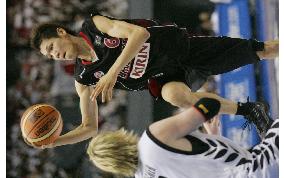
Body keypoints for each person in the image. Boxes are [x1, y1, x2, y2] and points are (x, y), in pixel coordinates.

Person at [29, 11, 278, 148]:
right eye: (49, 56)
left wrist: (112, 73)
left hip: (176, 48)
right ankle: (249, 110)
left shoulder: (94, 26)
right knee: (177, 97)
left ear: (61, 32)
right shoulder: (84, 78)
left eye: (51, 47)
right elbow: (89, 127)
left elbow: (139, 34)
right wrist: (55, 141)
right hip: (160, 76)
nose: (55, 55)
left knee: (262, 50)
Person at [87, 98, 278, 178]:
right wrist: (187, 100)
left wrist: (213, 137)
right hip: (257, 168)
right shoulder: (152, 139)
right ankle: (256, 114)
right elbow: (208, 105)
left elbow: (198, 169)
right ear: (118, 138)